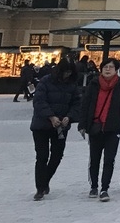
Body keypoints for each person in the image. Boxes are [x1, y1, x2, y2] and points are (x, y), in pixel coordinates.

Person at [78, 59, 120, 201]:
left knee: (109, 159)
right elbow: (85, 104)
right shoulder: (94, 84)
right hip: (95, 127)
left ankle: (104, 189)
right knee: (94, 159)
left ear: (116, 70)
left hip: (112, 128)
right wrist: (82, 124)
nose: (108, 69)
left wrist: (119, 119)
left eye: (111, 67)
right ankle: (94, 186)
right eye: (105, 67)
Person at [30, 57, 81, 201]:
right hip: (41, 125)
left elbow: (77, 104)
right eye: (65, 72)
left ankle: (45, 180)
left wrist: (69, 117)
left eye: (70, 72)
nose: (67, 75)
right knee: (42, 156)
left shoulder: (72, 85)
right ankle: (40, 188)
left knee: (57, 155)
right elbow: (39, 101)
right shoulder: (46, 81)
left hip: (60, 127)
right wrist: (51, 116)